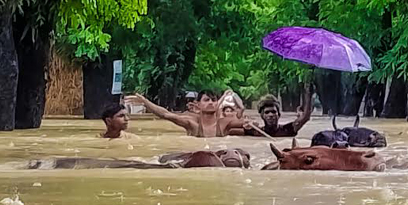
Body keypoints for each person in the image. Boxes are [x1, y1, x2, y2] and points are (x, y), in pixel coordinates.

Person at [123, 90, 251, 137]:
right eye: (206, 100)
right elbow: (166, 115)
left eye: (214, 100)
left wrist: (250, 123)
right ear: (198, 105)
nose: (211, 103)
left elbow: (244, 123)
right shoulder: (192, 123)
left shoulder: (224, 123)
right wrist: (145, 102)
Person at [244, 83, 313, 137]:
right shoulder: (257, 132)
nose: (270, 115)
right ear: (262, 116)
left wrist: (308, 92)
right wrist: (244, 124)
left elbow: (306, 117)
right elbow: (233, 131)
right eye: (267, 112)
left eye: (273, 112)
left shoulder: (288, 130)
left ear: (279, 114)